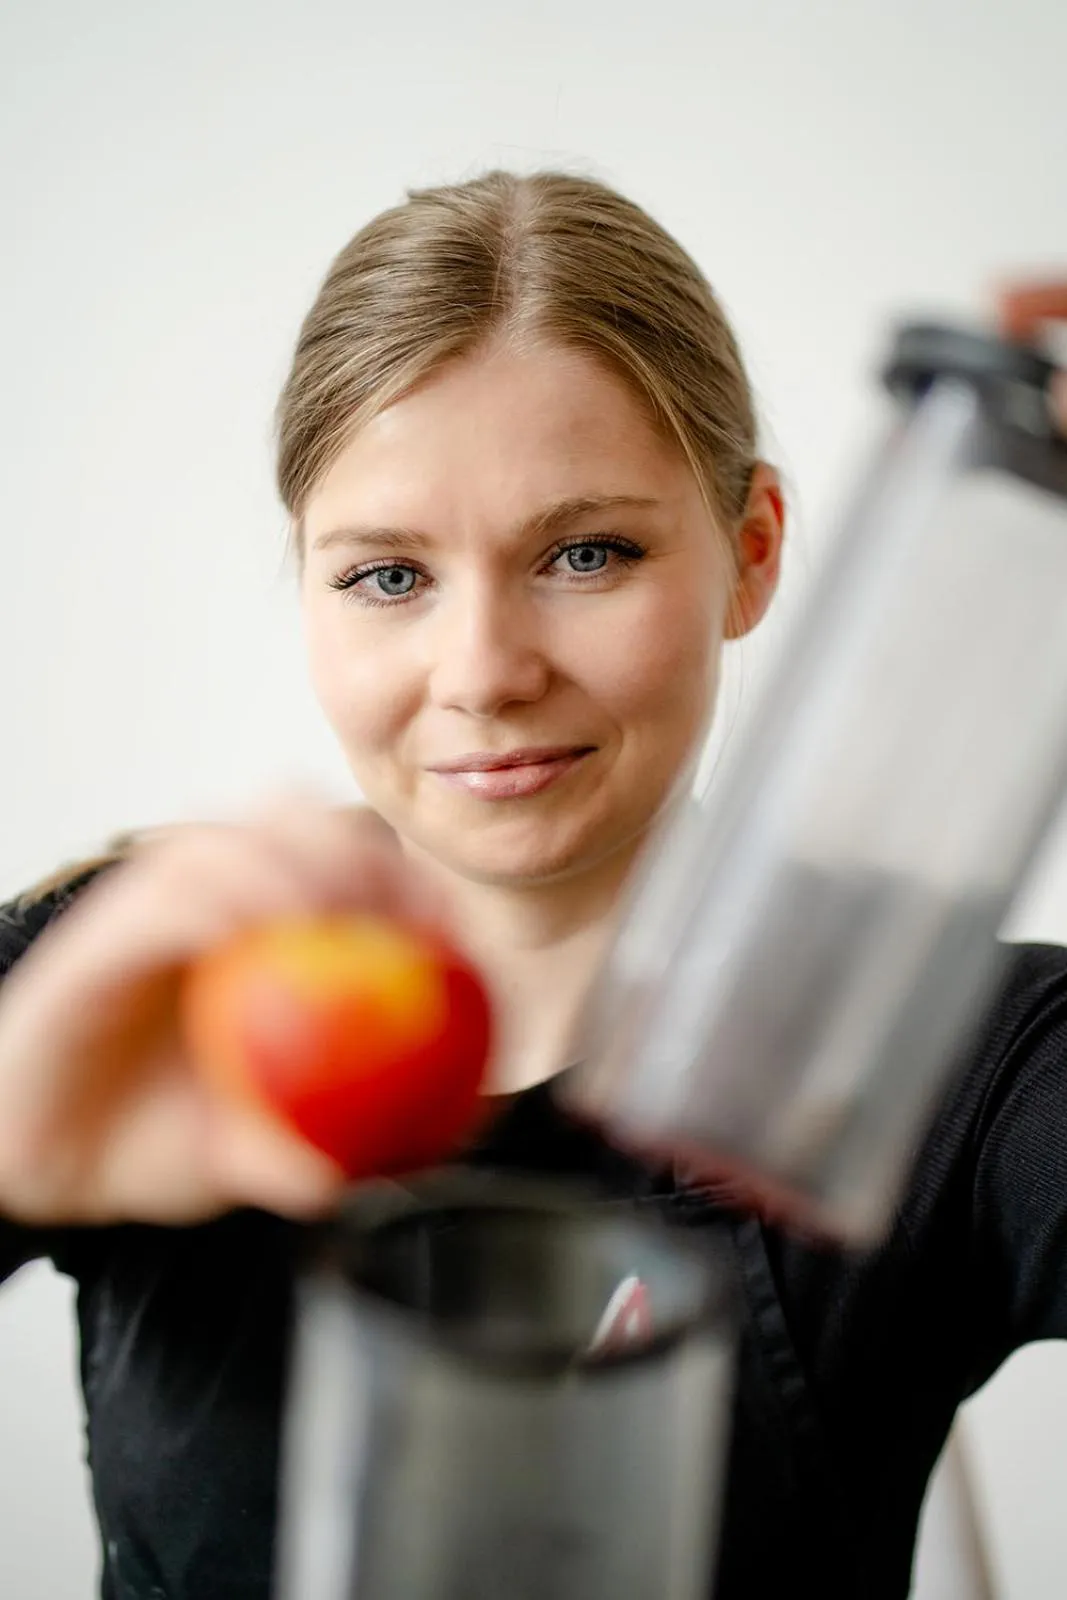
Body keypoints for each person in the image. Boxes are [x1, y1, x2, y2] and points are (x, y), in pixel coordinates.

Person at [0, 170, 1064, 1600]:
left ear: (751, 553)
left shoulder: (946, 1049)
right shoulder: (120, 984)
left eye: (585, 554)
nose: (487, 673)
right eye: (389, 577)